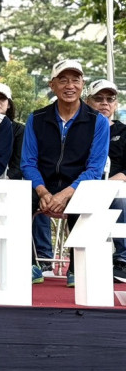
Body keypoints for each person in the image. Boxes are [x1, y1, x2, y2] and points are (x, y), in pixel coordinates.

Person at [21, 59, 109, 287]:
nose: (70, 86)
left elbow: (95, 169)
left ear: (83, 84)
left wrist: (65, 194)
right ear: (52, 85)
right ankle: (28, 264)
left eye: (75, 80)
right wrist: (42, 191)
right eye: (63, 80)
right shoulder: (36, 118)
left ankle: (77, 267)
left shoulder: (98, 121)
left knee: (87, 199)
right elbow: (28, 163)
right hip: (42, 186)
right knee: (17, 200)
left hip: (77, 186)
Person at [0, 82, 52, 271]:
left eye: (1, 99)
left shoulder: (19, 129)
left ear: (9, 104)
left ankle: (41, 258)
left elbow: (20, 164)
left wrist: (5, 183)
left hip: (12, 183)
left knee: (36, 199)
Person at [84, 78, 126, 283]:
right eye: (98, 99)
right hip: (83, 186)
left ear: (115, 104)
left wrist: (114, 181)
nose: (104, 103)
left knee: (120, 198)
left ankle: (122, 260)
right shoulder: (79, 131)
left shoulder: (124, 132)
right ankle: (44, 260)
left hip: (116, 187)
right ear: (87, 102)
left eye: (110, 99)